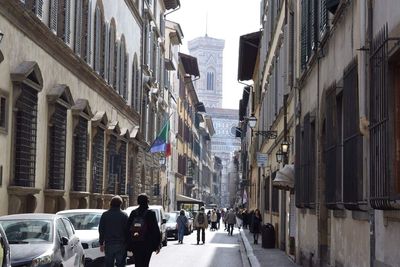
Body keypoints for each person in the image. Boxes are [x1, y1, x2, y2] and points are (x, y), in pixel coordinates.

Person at [127, 193, 161, 267]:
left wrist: (128, 244)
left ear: (138, 202)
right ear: (147, 201)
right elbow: (155, 229)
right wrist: (157, 244)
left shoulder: (133, 213)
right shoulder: (151, 213)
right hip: (147, 244)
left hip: (135, 242)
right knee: (145, 264)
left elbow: (128, 228)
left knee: (137, 263)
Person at [99, 195, 129, 267]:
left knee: (109, 264)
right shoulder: (124, 215)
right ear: (120, 204)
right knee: (121, 264)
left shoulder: (105, 215)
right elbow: (127, 230)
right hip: (121, 244)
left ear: (110, 203)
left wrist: (101, 243)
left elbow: (101, 229)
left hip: (109, 243)